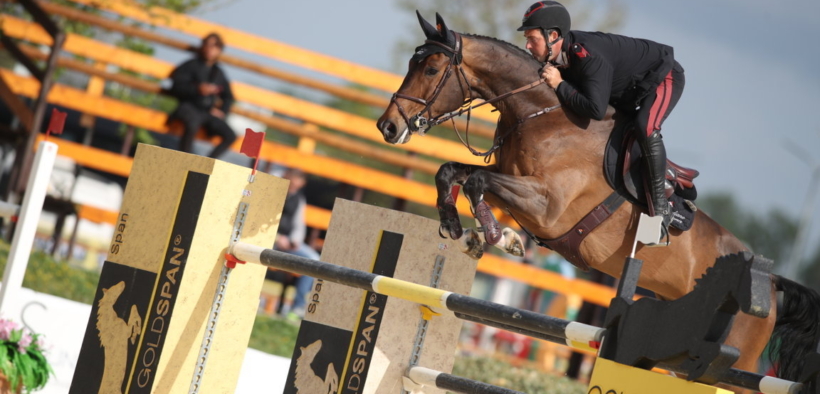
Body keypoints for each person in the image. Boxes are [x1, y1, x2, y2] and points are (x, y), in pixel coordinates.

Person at [520, 1, 685, 239]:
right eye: (527, 39)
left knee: (645, 126)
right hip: (628, 89)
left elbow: (595, 109)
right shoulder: (561, 56)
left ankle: (661, 210)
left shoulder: (588, 56)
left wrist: (560, 84)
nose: (527, 45)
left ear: (553, 36)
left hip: (664, 76)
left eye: (532, 39)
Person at [167, 32, 237, 159]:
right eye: (208, 45)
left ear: (219, 50)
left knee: (230, 135)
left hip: (207, 112)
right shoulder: (190, 65)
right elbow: (176, 87)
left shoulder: (218, 72)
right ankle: (184, 161)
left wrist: (222, 111)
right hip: (188, 107)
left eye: (215, 46)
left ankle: (207, 163)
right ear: (203, 46)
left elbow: (228, 97)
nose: (211, 49)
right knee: (192, 123)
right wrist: (197, 89)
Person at [267, 168, 318, 320]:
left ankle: (297, 307)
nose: (294, 189)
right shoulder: (270, 191)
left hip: (287, 244)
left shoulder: (298, 199)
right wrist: (277, 237)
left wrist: (294, 241)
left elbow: (299, 225)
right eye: (292, 185)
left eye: (297, 186)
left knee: (314, 261)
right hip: (267, 240)